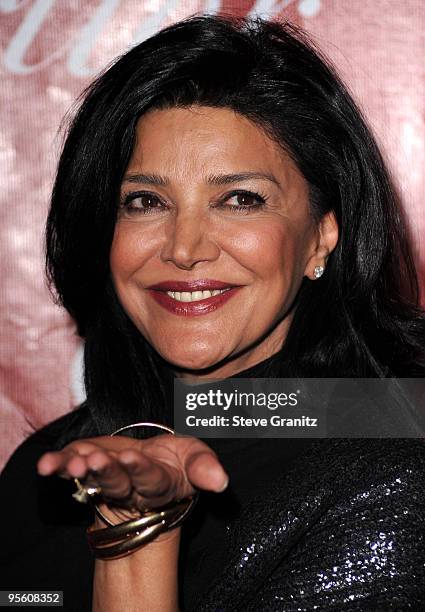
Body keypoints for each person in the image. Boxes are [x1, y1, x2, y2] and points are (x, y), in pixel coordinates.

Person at [1, 13, 425, 611]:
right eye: (146, 201)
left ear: (321, 238)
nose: (184, 247)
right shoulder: (50, 466)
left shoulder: (393, 466)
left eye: (240, 199)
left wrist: (135, 538)